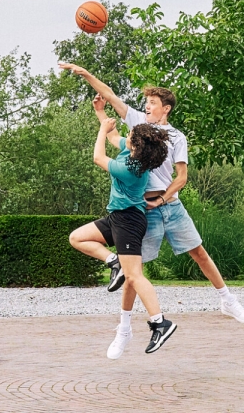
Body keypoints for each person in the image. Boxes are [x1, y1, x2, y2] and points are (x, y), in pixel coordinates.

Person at [60, 62, 244, 360]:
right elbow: (110, 96)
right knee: (133, 274)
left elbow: (182, 178)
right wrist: (87, 76)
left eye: (152, 103)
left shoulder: (177, 137)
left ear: (166, 109)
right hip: (141, 210)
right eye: (146, 103)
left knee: (198, 252)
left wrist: (162, 200)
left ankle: (227, 300)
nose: (147, 107)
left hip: (168, 205)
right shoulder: (137, 127)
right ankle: (124, 329)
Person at [69, 116, 178, 357]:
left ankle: (160, 322)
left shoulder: (131, 168)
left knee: (135, 277)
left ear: (137, 147)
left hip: (129, 221)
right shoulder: (131, 151)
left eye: (131, 136)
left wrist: (100, 129)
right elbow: (112, 136)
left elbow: (97, 157)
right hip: (117, 217)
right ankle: (113, 261)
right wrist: (100, 113)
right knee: (77, 238)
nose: (126, 136)